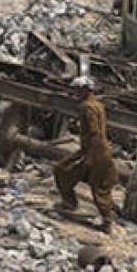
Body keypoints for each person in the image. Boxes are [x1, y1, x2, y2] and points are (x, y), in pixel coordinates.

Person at [52, 77, 119, 233]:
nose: (75, 92)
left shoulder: (87, 107)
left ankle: (106, 222)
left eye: (77, 89)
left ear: (85, 90)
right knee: (62, 169)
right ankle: (70, 203)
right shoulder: (97, 104)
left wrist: (89, 158)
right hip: (93, 150)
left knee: (99, 187)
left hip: (95, 152)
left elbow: (95, 134)